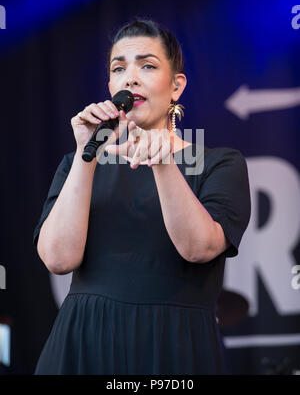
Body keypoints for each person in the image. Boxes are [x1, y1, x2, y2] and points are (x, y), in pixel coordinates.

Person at [33, 19, 251, 375]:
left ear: (176, 86)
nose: (130, 78)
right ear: (110, 85)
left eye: (147, 66)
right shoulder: (78, 163)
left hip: (174, 344)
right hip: (83, 343)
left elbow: (198, 248)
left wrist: (162, 161)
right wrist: (88, 153)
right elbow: (58, 259)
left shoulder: (218, 163)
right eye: (119, 68)